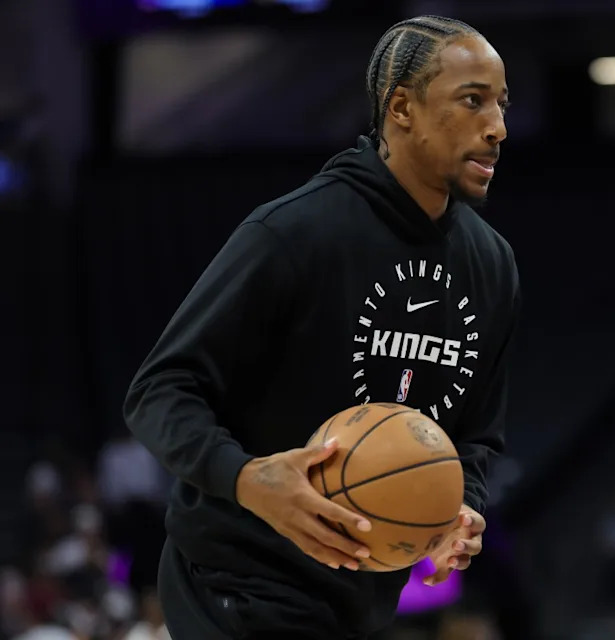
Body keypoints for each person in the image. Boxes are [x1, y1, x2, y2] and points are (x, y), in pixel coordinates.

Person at [122, 14, 520, 640]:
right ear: (401, 108)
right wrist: (248, 479)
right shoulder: (294, 232)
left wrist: (457, 506)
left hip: (356, 600)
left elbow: (474, 435)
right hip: (238, 584)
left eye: (500, 105)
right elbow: (160, 390)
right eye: (472, 102)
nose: (497, 127)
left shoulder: (491, 265)